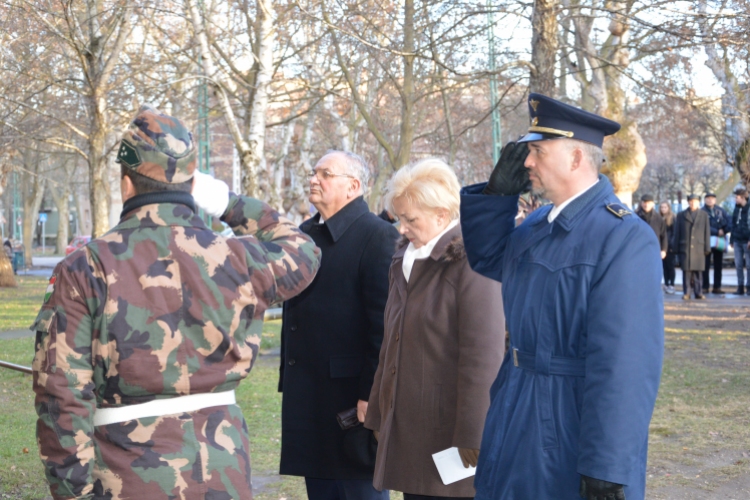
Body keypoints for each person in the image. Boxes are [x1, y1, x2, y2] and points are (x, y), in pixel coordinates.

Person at [31, 106, 321, 500]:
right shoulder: (237, 257)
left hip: (128, 476)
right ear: (192, 185)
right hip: (223, 472)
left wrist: (73, 492)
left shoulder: (87, 267)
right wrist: (228, 203)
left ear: (126, 185)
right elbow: (301, 248)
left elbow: (61, 393)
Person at [459, 93, 664, 500]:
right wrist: (496, 199)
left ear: (575, 159)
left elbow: (625, 364)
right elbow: (489, 259)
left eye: (537, 150)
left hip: (566, 421)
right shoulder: (538, 223)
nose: (527, 162)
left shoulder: (623, 237)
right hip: (516, 403)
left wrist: (608, 466)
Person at [365, 159, 505, 500]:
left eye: (410, 219)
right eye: (399, 218)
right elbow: (391, 342)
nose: (401, 228)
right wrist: (378, 413)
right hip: (409, 425)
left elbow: (482, 358)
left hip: (450, 434)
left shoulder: (472, 261)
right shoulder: (404, 259)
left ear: (442, 215)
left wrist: (472, 440)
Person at [279, 151, 398, 500]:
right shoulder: (304, 235)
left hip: (351, 406)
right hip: (310, 399)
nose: (314, 179)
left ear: (353, 186)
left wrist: (369, 396)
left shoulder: (377, 237)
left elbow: (384, 329)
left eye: (325, 174)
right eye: (314, 172)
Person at [674, 194, 711, 300]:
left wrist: (707, 248)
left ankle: (698, 292)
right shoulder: (681, 215)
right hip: (685, 247)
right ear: (688, 202)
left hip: (699, 247)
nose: (692, 203)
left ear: (698, 202)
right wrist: (675, 248)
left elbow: (706, 232)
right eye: (690, 201)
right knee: (687, 272)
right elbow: (677, 232)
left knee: (698, 272)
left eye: (695, 201)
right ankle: (687, 292)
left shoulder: (704, 215)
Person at [701, 193, 731, 294]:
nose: (710, 200)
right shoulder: (702, 211)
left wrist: (724, 230)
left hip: (719, 241)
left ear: (715, 200)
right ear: (705, 200)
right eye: (708, 199)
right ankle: (705, 286)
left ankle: (717, 287)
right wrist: (716, 231)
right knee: (705, 265)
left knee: (718, 265)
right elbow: (702, 226)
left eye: (712, 199)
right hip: (706, 240)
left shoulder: (721, 211)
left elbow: (729, 222)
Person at [730, 187, 750, 295]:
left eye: (737, 197)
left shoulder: (748, 208)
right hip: (737, 240)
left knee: (748, 265)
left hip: (747, 241)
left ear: (743, 198)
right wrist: (732, 239)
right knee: (738, 265)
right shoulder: (736, 208)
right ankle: (740, 287)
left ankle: (749, 287)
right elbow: (733, 224)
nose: (735, 200)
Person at [636, 194, 667, 260]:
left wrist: (663, 250)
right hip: (639, 250)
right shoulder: (635, 217)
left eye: (649, 203)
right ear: (641, 203)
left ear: (653, 204)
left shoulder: (658, 218)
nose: (646, 205)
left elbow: (663, 235)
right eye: (644, 202)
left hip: (654, 249)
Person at [659, 201, 677, 294]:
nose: (663, 209)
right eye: (662, 207)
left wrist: (671, 244)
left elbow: (674, 232)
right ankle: (666, 283)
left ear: (668, 208)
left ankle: (672, 284)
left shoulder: (673, 217)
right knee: (664, 266)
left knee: (671, 266)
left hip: (670, 246)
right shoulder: (659, 218)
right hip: (661, 246)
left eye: (665, 207)